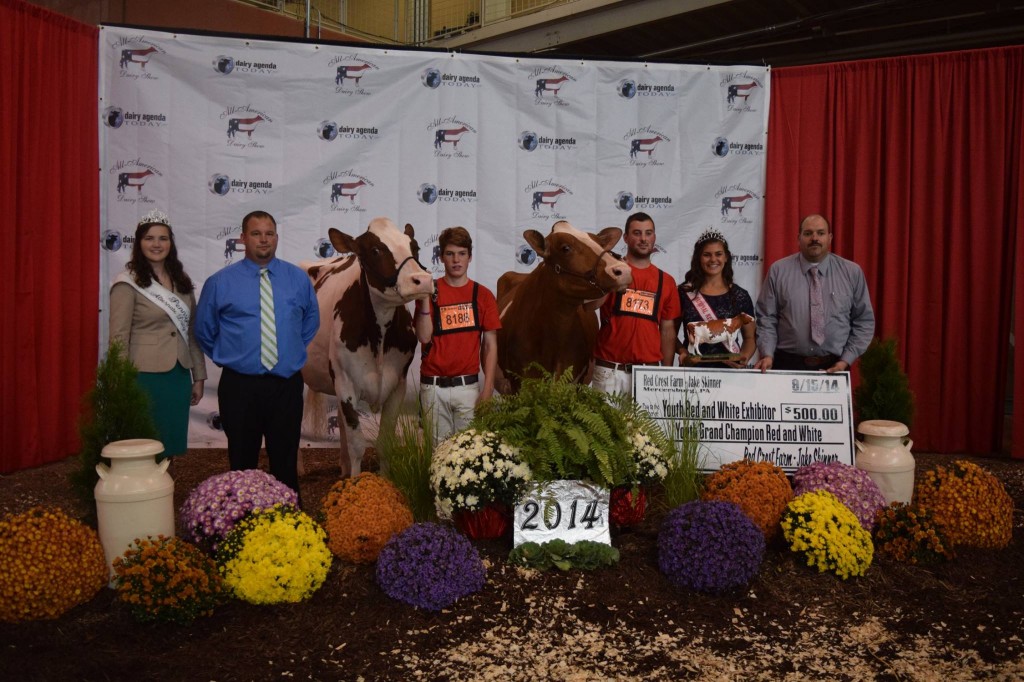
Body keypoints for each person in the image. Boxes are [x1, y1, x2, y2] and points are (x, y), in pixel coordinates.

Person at [194, 210, 319, 495]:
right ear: (242, 238)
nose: (264, 239)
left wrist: (288, 348)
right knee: (242, 463)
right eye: (256, 233)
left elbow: (311, 321)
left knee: (286, 462)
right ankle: (243, 517)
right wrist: (234, 355)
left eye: (269, 233)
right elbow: (204, 330)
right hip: (240, 386)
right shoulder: (220, 282)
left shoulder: (297, 279)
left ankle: (290, 517)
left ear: (276, 237)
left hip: (285, 385)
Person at [109, 210, 206, 458]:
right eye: (149, 238)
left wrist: (198, 376)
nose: (156, 244)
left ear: (170, 243)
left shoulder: (181, 281)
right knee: (144, 442)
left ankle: (165, 481)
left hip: (178, 375)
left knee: (170, 440)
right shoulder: (127, 282)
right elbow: (118, 337)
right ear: (139, 243)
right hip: (143, 375)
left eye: (163, 238)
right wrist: (120, 380)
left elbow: (191, 331)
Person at [754, 213, 875, 373]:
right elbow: (766, 318)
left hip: (835, 366)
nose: (814, 238)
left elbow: (864, 321)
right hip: (786, 364)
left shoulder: (852, 272)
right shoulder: (778, 271)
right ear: (798, 238)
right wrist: (767, 354)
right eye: (808, 233)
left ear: (830, 238)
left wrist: (846, 360)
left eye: (820, 233)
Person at [415, 227, 500, 443]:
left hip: (468, 388)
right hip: (433, 388)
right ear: (441, 257)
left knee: (469, 452)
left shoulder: (483, 295)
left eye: (462, 254)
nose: (456, 260)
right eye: (450, 254)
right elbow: (424, 337)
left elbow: (490, 345)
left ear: (470, 257)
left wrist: (488, 387)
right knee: (438, 453)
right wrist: (424, 298)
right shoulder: (429, 293)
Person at [591, 212, 681, 394]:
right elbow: (591, 306)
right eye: (637, 233)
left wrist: (667, 373)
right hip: (609, 370)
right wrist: (608, 278)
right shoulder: (610, 272)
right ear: (625, 238)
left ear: (654, 237)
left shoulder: (666, 281)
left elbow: (667, 330)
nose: (643, 239)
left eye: (648, 233)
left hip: (649, 373)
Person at [675, 229, 756, 368]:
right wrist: (683, 352)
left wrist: (744, 357)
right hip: (693, 371)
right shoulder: (683, 293)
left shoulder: (740, 295)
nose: (713, 259)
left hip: (730, 372)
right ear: (698, 258)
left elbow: (750, 338)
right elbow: (669, 334)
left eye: (718, 254)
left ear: (726, 257)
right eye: (707, 255)